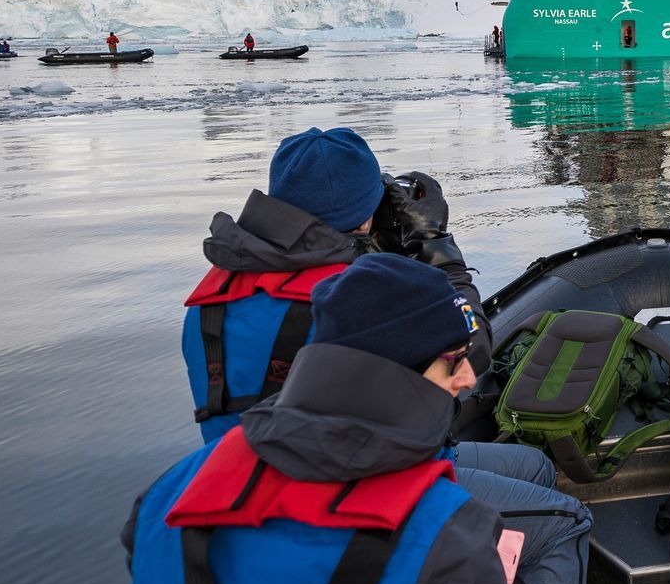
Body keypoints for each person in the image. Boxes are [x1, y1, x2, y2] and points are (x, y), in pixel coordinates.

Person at [126, 253, 592, 584]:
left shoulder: (165, 495)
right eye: (453, 360)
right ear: (398, 371)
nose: (469, 377)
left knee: (534, 468)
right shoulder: (446, 535)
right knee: (567, 518)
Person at [185, 127, 475, 444]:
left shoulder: (210, 298)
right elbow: (472, 354)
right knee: (532, 467)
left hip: (234, 476)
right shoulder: (360, 297)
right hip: (357, 486)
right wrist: (437, 249)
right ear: (366, 221)